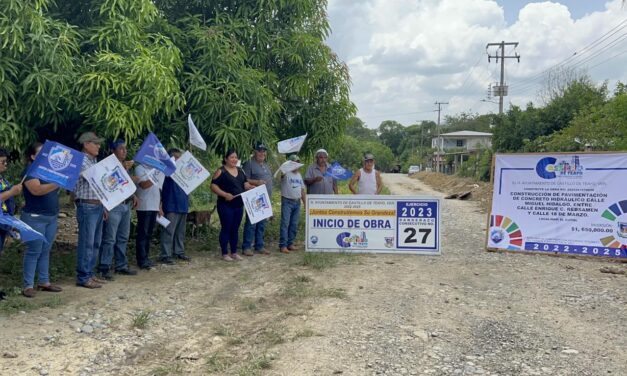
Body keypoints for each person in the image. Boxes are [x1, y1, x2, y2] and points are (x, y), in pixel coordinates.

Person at [21, 143, 62, 298]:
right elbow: (36, 190)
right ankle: (28, 285)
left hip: (50, 217)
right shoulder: (30, 172)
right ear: (32, 157)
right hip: (35, 218)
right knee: (34, 251)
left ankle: (44, 282)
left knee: (45, 250)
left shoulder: (49, 172)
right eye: (41, 153)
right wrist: (58, 182)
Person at [97, 140, 138, 280]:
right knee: (109, 238)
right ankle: (104, 266)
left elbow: (124, 185)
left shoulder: (125, 166)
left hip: (125, 205)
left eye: (125, 149)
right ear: (113, 150)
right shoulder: (107, 165)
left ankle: (121, 265)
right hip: (113, 206)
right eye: (121, 149)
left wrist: (133, 195)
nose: (124, 151)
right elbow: (107, 185)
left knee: (123, 237)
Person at [74, 132, 107, 289]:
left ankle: (90, 274)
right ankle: (83, 276)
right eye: (96, 143)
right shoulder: (81, 160)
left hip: (97, 205)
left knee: (95, 243)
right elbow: (95, 177)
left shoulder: (94, 161)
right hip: (87, 205)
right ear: (86, 144)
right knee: (87, 242)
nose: (99, 146)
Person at [211, 149, 253, 261]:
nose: (234, 159)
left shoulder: (240, 171)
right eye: (232, 157)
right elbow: (213, 186)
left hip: (239, 205)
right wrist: (224, 194)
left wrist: (250, 186)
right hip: (225, 205)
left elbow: (245, 183)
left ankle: (234, 252)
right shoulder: (221, 171)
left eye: (235, 157)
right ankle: (224, 253)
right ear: (226, 159)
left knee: (235, 228)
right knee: (226, 228)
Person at [241, 142, 272, 256]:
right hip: (254, 198)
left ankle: (259, 245)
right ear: (255, 151)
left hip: (265, 199)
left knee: (262, 224)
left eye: (264, 151)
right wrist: (257, 182)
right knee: (251, 223)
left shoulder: (266, 164)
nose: (262, 153)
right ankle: (247, 247)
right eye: (259, 150)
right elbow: (244, 179)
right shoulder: (249, 163)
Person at [159, 148, 190, 264]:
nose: (179, 160)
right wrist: (160, 204)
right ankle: (165, 254)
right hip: (171, 203)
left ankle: (179, 252)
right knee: (169, 231)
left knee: (180, 231)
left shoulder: (184, 171)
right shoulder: (166, 170)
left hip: (183, 204)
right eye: (177, 157)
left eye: (180, 157)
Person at [134, 163, 164, 270]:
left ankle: (146, 257)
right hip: (144, 205)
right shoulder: (140, 168)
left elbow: (159, 188)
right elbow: (143, 185)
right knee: (143, 233)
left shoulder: (156, 169)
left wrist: (160, 205)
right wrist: (155, 175)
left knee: (149, 233)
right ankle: (141, 259)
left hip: (154, 205)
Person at [278, 155, 306, 254]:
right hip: (287, 201)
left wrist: (305, 202)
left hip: (297, 202)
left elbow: (302, 189)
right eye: (294, 163)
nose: (296, 165)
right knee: (285, 223)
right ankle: (283, 245)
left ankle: (290, 243)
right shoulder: (285, 173)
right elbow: (280, 177)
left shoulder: (299, 175)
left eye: (297, 163)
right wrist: (284, 170)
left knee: (294, 224)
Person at [0, 147, 22, 255]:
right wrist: (11, 192)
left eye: (6, 161)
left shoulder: (2, 179)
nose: (5, 164)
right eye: (2, 162)